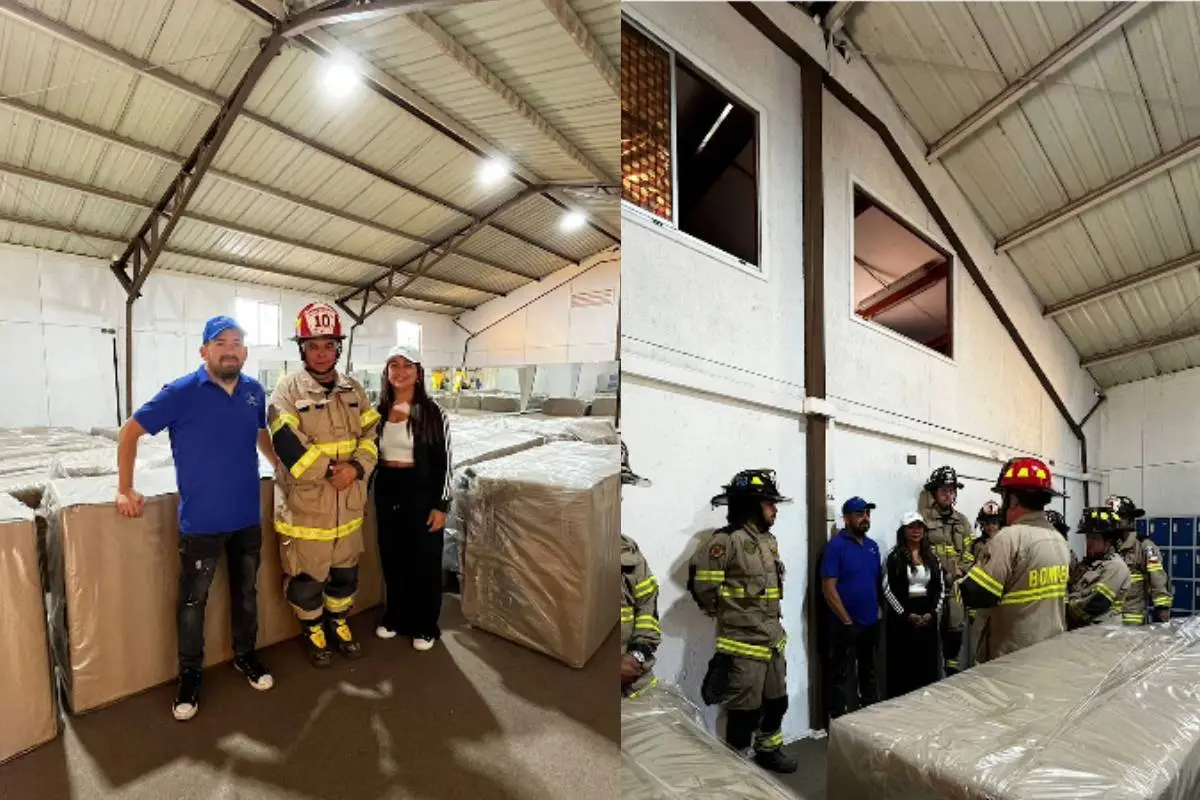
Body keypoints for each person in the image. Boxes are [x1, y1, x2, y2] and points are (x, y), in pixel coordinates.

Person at [116, 315, 276, 721]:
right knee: (193, 602)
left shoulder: (254, 392)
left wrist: (279, 467)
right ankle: (189, 676)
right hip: (201, 523)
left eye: (237, 343)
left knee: (246, 594)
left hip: (246, 516)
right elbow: (130, 432)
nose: (230, 350)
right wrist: (125, 487)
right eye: (220, 343)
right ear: (204, 351)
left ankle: (245, 656)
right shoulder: (181, 393)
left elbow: (260, 432)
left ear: (245, 352)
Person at [268, 302, 380, 667]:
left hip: (348, 508)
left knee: (345, 574)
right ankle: (313, 629)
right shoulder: (286, 391)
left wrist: (357, 468)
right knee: (306, 579)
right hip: (307, 511)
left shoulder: (354, 389)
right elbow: (287, 444)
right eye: (313, 346)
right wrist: (335, 470)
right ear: (302, 349)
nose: (321, 353)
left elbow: (372, 435)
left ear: (338, 348)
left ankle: (338, 621)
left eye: (328, 345)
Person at [688, 470, 796, 774]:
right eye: (769, 504)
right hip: (743, 646)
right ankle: (737, 770)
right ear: (751, 506)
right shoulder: (726, 541)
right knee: (743, 712)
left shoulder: (768, 541)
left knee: (777, 702)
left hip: (772, 641)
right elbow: (703, 587)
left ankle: (768, 750)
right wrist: (732, 615)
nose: (775, 510)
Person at [371, 345, 453, 651]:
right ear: (386, 372)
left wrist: (441, 505)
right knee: (392, 556)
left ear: (418, 373)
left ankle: (425, 625)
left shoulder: (431, 413)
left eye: (407, 365)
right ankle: (396, 616)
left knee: (424, 560)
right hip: (388, 488)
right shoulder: (378, 411)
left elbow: (445, 462)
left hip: (420, 490)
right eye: (394, 365)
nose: (400, 371)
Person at [958, 458, 1071, 663]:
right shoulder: (1058, 539)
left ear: (1013, 499)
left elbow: (977, 594)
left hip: (1013, 657)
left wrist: (958, 581)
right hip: (1049, 652)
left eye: (1003, 496)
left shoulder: (1009, 538)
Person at [822, 496, 883, 719]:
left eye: (867, 514)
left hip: (870, 622)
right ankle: (838, 723)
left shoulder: (872, 547)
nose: (865, 518)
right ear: (846, 518)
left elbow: (875, 582)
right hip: (845, 625)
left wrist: (878, 610)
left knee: (869, 673)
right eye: (859, 514)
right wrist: (846, 619)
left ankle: (869, 721)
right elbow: (828, 587)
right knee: (840, 675)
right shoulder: (836, 546)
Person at [882, 512, 943, 698]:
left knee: (927, 663)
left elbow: (940, 588)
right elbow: (886, 589)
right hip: (902, 617)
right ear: (903, 531)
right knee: (903, 665)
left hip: (927, 614)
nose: (916, 531)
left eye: (919, 527)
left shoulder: (932, 557)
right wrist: (905, 615)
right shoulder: (893, 557)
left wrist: (932, 613)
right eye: (911, 527)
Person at [922, 466, 972, 676]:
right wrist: (937, 574)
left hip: (956, 587)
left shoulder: (963, 521)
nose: (948, 494)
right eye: (943, 490)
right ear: (934, 493)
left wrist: (959, 572)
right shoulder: (923, 519)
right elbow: (920, 551)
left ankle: (952, 674)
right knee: (929, 633)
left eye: (952, 490)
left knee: (955, 631)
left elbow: (970, 553)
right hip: (932, 588)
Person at [619, 443, 660, 700]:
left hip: (635, 684)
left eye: (619, 489)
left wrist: (636, 655)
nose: (619, 497)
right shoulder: (556, 555)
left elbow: (648, 609)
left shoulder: (628, 550)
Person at [1106, 495, 1171, 624]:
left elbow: (1157, 579)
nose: (1115, 520)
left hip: (1132, 620)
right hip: (1108, 618)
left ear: (1130, 519)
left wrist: (1162, 609)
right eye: (1111, 517)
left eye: (1120, 516)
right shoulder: (1107, 546)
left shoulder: (1145, 546)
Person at [1066, 508, 1132, 630]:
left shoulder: (1115, 566)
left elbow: (1098, 603)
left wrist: (1067, 612)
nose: (1089, 543)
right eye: (1088, 537)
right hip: (1083, 630)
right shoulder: (1089, 564)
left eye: (1094, 538)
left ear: (1108, 542)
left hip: (1101, 632)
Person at [965, 501, 1004, 668]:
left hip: (1002, 599)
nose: (991, 527)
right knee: (980, 644)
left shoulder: (1007, 543)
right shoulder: (975, 545)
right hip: (981, 601)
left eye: (994, 522)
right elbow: (968, 568)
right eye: (987, 523)